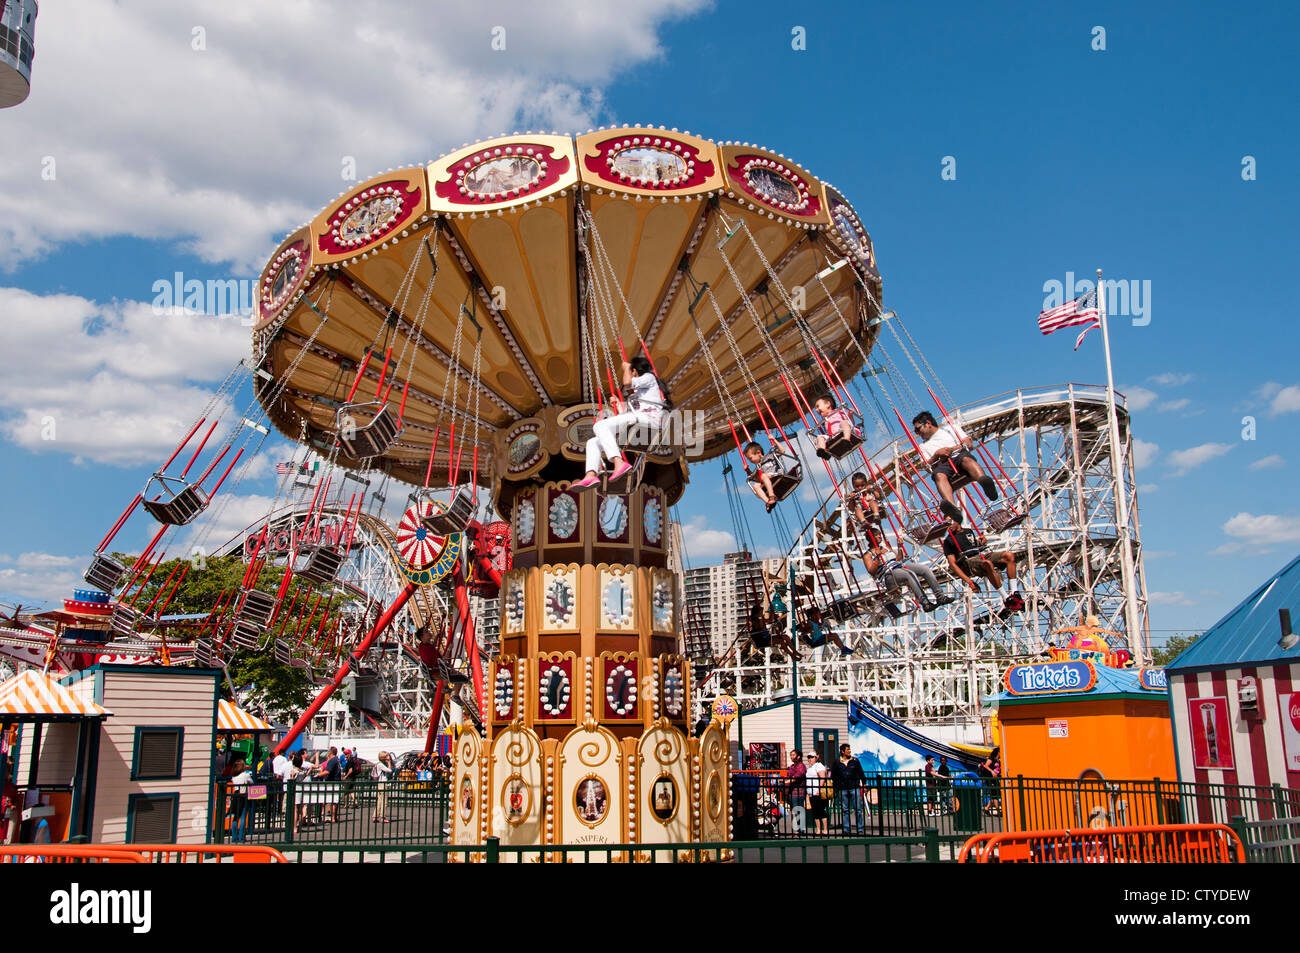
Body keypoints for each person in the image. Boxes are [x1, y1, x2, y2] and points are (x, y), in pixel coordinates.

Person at [574, 355, 670, 490]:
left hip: (648, 420)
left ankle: (618, 462)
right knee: (592, 442)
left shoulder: (649, 377)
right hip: (639, 421)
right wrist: (619, 405)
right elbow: (627, 415)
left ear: (635, 371)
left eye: (632, 371)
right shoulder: (640, 394)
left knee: (600, 426)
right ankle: (590, 474)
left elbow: (627, 383)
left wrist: (626, 368)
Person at [912, 411, 998, 521]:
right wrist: (937, 454)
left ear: (928, 423)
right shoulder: (923, 446)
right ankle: (952, 508)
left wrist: (950, 449)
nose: (917, 433)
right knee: (938, 474)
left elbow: (968, 444)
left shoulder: (951, 429)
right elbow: (926, 466)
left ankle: (984, 481)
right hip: (943, 466)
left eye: (918, 429)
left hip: (959, 456)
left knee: (966, 459)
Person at [940, 512, 1020, 606]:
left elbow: (971, 546)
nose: (949, 525)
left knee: (1009, 556)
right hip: (967, 563)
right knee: (987, 563)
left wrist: (981, 543)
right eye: (946, 523)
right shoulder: (948, 541)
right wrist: (969, 582)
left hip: (979, 556)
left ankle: (1015, 592)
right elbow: (952, 565)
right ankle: (1005, 598)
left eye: (950, 522)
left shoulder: (968, 531)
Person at [832, 744, 869, 835]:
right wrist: (837, 785)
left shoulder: (855, 761)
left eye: (849, 749)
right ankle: (846, 829)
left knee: (858, 809)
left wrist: (864, 784)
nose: (849, 751)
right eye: (847, 750)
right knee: (845, 809)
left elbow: (861, 773)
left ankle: (860, 828)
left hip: (854, 787)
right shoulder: (837, 762)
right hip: (843, 789)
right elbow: (833, 775)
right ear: (842, 751)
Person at [743, 441, 784, 512]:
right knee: (755, 486)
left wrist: (774, 439)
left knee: (764, 476)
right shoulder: (758, 467)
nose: (750, 461)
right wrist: (748, 470)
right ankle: (768, 501)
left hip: (776, 475)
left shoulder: (770, 455)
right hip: (767, 479)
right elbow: (754, 478)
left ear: (758, 453)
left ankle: (771, 495)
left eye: (750, 458)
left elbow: (782, 451)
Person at [805, 751, 830, 834]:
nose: (810, 759)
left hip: (817, 792)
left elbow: (822, 777)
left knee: (821, 811)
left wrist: (819, 789)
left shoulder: (819, 766)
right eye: (808, 757)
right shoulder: (810, 768)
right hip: (811, 793)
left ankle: (825, 829)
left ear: (816, 758)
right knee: (815, 812)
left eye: (812, 757)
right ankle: (818, 829)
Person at [784, 750, 807, 835]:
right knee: (794, 811)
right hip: (791, 792)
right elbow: (788, 776)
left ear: (798, 756)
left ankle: (800, 829)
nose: (791, 757)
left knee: (799, 810)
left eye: (793, 755)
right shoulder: (791, 767)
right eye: (791, 755)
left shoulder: (801, 766)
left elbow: (798, 775)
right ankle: (797, 828)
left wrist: (789, 781)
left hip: (799, 792)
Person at [372, 751, 394, 824]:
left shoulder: (378, 764)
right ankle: (382, 817)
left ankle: (375, 816)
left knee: (379, 800)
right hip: (383, 783)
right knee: (384, 801)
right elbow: (389, 770)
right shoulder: (381, 765)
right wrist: (389, 762)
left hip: (379, 783)